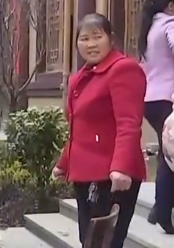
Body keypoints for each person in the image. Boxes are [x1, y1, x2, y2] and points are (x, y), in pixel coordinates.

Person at [52, 14, 147, 248]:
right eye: (84, 38)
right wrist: (64, 162)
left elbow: (128, 122)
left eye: (97, 37)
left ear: (110, 39)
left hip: (112, 175)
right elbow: (79, 127)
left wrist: (121, 167)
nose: (91, 44)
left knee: (105, 242)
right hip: (85, 173)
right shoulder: (80, 77)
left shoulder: (123, 69)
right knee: (89, 240)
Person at [137, 0, 174, 234]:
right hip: (168, 98)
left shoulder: (150, 28)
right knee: (169, 154)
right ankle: (162, 211)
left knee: (170, 148)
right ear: (171, 6)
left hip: (150, 99)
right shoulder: (171, 23)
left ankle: (173, 195)